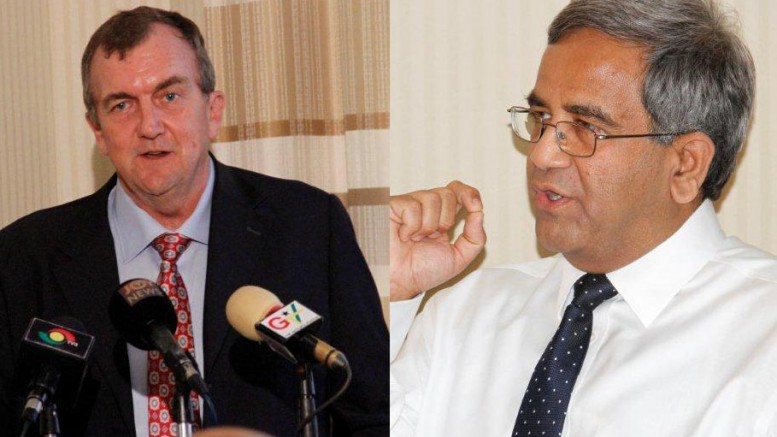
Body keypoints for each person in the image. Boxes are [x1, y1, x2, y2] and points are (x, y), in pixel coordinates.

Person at [390, 0, 777, 435]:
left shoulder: (765, 338)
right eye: (540, 118)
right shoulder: (462, 316)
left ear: (686, 164)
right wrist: (390, 294)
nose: (541, 154)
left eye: (586, 128)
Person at [0, 6, 388, 436]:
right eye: (122, 104)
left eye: (169, 96)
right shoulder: (24, 257)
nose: (149, 126)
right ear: (98, 132)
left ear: (213, 110)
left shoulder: (308, 226)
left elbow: (370, 414)